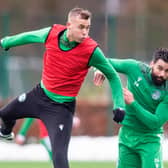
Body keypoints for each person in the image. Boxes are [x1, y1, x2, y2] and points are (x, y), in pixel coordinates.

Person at [0, 7, 125, 168]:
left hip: (61, 109)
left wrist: (119, 105)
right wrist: (6, 42)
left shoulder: (91, 50)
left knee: (59, 160)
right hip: (39, 96)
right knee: (4, 114)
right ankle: (5, 132)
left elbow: (113, 76)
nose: (85, 32)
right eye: (81, 27)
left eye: (88, 27)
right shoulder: (52, 33)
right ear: (69, 25)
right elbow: (29, 36)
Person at [94, 47, 168, 168]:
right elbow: (104, 61)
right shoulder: (134, 67)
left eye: (167, 71)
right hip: (127, 136)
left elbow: (155, 122)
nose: (162, 74)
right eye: (160, 68)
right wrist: (100, 69)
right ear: (152, 64)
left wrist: (133, 103)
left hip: (150, 140)